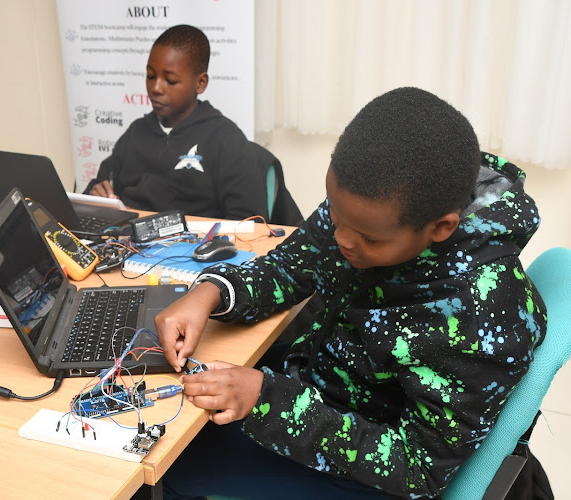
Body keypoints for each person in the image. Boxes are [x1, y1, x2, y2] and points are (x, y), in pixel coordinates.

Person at [154, 87, 547, 499]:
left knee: (179, 464)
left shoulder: (479, 320)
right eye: (334, 214)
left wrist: (269, 401)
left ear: (442, 228)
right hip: (320, 388)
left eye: (366, 238)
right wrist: (213, 292)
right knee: (180, 423)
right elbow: (291, 267)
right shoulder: (368, 207)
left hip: (370, 466)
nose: (340, 238)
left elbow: (418, 471)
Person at [83, 25, 268, 221]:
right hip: (124, 242)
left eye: (170, 80)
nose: (155, 88)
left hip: (190, 246)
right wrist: (97, 196)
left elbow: (250, 222)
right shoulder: (136, 132)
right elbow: (96, 188)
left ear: (200, 83)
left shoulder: (226, 139)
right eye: (151, 76)